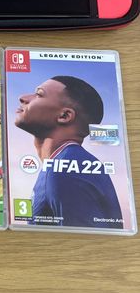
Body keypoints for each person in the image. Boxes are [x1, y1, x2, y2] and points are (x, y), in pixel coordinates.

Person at [15, 75, 123, 229]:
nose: (23, 98)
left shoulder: (66, 170)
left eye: (39, 94)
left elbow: (84, 239)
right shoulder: (64, 163)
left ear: (64, 116)